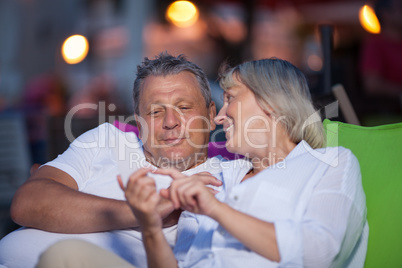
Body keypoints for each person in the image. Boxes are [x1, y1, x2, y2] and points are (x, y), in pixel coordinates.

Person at [36, 58, 368, 267]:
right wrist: (150, 225)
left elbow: (321, 253)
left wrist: (215, 208)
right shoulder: (221, 174)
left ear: (272, 103)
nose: (222, 116)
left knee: (64, 257)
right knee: (63, 256)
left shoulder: (331, 163)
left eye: (231, 100)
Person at [0, 52, 243, 268]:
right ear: (139, 123)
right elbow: (27, 202)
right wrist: (146, 212)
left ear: (211, 115)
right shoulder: (107, 139)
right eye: (155, 112)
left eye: (184, 107)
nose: (170, 121)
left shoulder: (227, 177)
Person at [359, 0, 402, 113]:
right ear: (386, 15)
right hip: (390, 115)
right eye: (400, 8)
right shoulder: (375, 44)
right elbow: (372, 85)